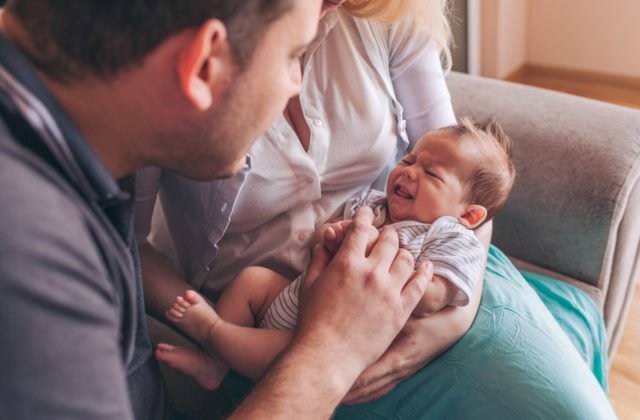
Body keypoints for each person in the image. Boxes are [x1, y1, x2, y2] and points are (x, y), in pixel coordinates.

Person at [135, 1, 617, 418]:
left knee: (560, 400)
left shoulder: (386, 15)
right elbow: (128, 242)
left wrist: (445, 326)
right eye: (408, 160)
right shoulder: (176, 50)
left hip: (412, 304)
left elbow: (467, 200)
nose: (409, 170)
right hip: (280, 313)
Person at [0, 1, 434, 419]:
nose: (297, 84)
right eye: (293, 56)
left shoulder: (70, 135)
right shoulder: (29, 256)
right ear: (204, 65)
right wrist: (333, 352)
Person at [157, 118, 516, 387]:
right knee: (252, 280)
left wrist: (397, 270)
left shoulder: (449, 235)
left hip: (337, 332)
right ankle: (214, 365)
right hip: (297, 297)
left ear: (468, 215)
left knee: (291, 358)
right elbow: (320, 242)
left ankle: (215, 333)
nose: (408, 173)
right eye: (408, 161)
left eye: (431, 173)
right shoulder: (372, 206)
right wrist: (332, 236)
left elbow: (437, 296)